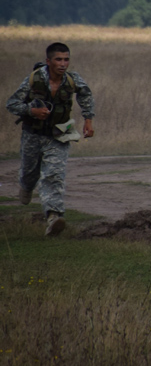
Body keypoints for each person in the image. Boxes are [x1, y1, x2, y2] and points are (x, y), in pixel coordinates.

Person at [7, 42, 95, 236]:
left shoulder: (72, 80)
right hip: (33, 134)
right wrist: (32, 110)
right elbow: (12, 104)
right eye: (58, 59)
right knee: (30, 173)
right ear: (48, 61)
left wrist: (88, 120)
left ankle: (54, 216)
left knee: (53, 175)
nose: (63, 64)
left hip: (60, 134)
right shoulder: (34, 79)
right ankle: (26, 186)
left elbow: (86, 95)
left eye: (66, 59)